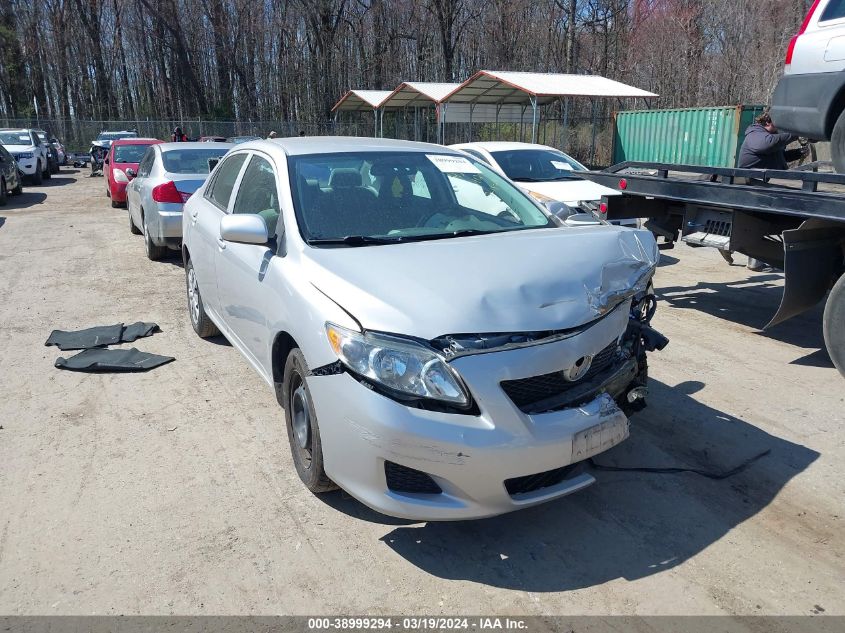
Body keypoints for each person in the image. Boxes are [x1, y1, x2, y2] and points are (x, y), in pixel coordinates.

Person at [733, 112, 809, 271]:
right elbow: (765, 145)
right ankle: (745, 253)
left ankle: (748, 255)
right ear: (769, 120)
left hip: (764, 184)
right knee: (759, 220)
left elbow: (778, 156)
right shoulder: (755, 132)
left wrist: (797, 153)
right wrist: (794, 134)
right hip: (750, 184)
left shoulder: (771, 137)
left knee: (763, 220)